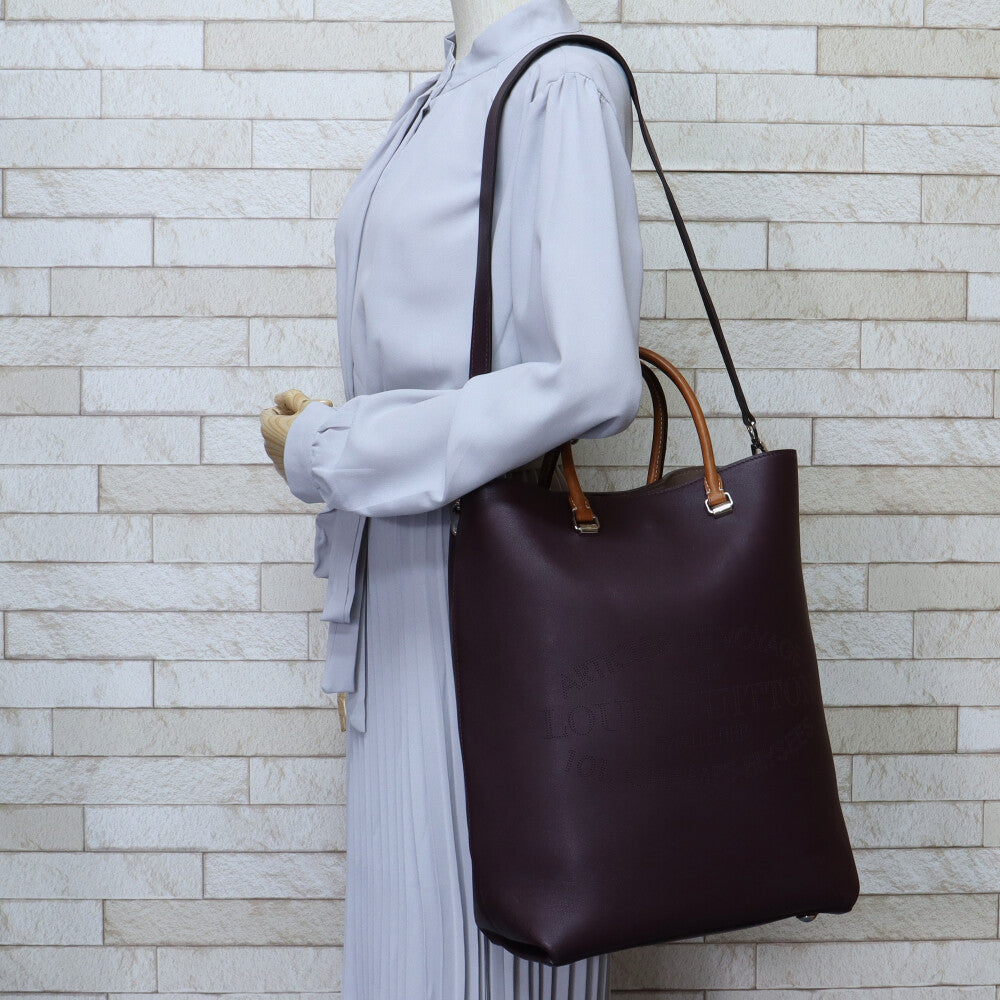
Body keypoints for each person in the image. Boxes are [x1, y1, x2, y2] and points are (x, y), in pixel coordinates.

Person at [260, 0, 644, 995]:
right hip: (408, 586)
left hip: (481, 589)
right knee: (414, 947)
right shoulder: (443, 92)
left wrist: (339, 446)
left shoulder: (558, 83)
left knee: (476, 944)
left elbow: (596, 377)